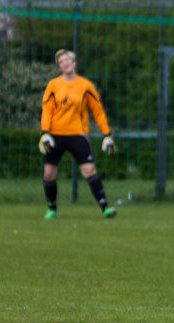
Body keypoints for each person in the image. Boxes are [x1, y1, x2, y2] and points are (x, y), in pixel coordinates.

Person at [39, 48, 117, 219]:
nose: (65, 63)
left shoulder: (85, 86)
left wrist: (107, 134)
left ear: (74, 63)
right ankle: (52, 208)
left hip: (78, 134)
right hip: (55, 135)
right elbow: (47, 110)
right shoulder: (53, 85)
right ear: (59, 66)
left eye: (67, 60)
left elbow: (97, 111)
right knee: (49, 173)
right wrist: (45, 133)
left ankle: (105, 208)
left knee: (89, 170)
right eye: (61, 62)